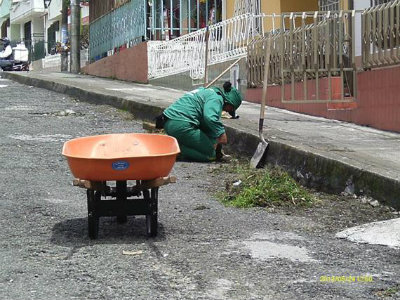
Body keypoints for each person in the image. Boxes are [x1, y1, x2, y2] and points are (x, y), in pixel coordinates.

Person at [161, 81, 242, 162]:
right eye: (231, 109)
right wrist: (221, 133)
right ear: (229, 103)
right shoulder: (217, 98)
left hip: (168, 122)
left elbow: (205, 123)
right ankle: (175, 149)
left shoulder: (207, 91)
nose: (228, 111)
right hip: (182, 124)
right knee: (211, 155)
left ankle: (175, 145)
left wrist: (214, 140)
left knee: (207, 146)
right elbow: (210, 117)